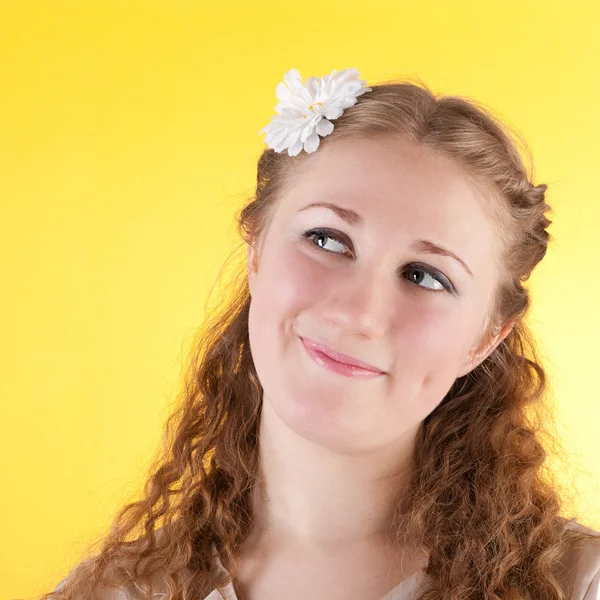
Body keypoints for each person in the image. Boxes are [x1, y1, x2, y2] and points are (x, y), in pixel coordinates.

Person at [43, 68, 600, 600]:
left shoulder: (578, 584)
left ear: (486, 338)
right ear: (256, 250)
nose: (358, 312)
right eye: (328, 240)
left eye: (425, 276)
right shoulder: (114, 591)